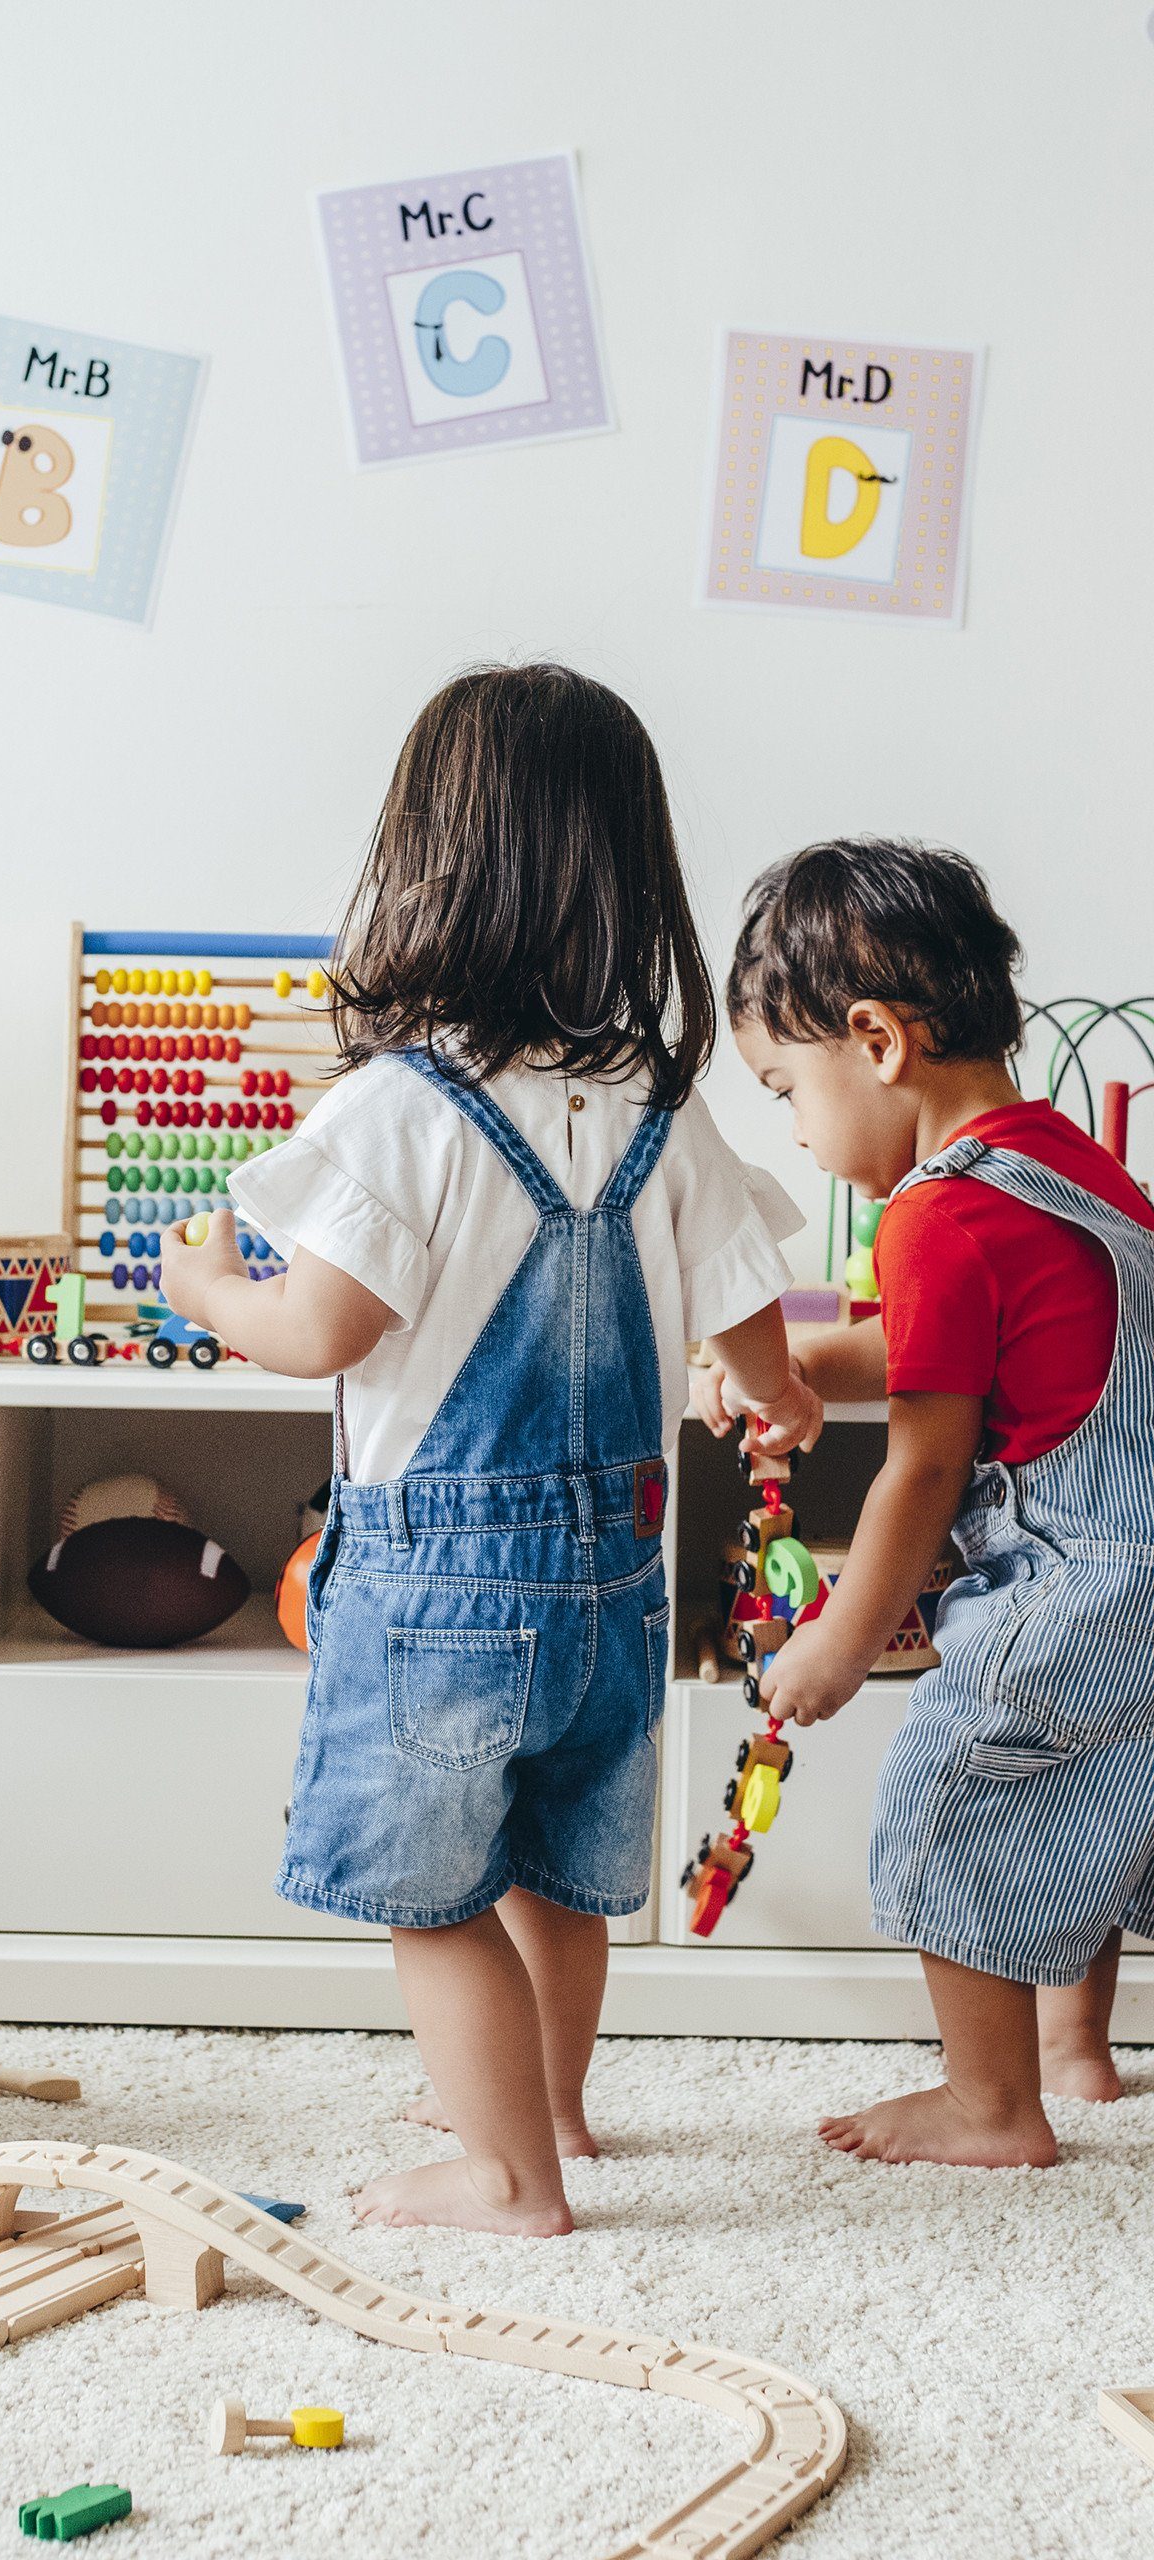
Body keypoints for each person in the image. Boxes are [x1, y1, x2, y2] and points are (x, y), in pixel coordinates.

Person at [162, 662, 817, 2235]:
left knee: (436, 1896)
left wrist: (209, 1292)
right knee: (556, 1872)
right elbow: (755, 1330)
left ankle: (507, 2176)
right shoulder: (661, 1105)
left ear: (432, 869)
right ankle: (555, 2111)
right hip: (617, 1579)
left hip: (441, 1587)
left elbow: (324, 1328)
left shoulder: (402, 1107)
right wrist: (771, 1397)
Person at [717, 838, 1152, 2165]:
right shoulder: (1072, 1167)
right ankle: (1074, 2052)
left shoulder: (935, 1215)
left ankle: (990, 2104)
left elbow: (924, 1460)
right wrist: (799, 1368)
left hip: (1079, 1581)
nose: (797, 1131)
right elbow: (950, 1342)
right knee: (1084, 1808)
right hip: (1142, 1573)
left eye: (788, 1091)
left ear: (876, 1042)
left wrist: (840, 1639)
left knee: (957, 1796)